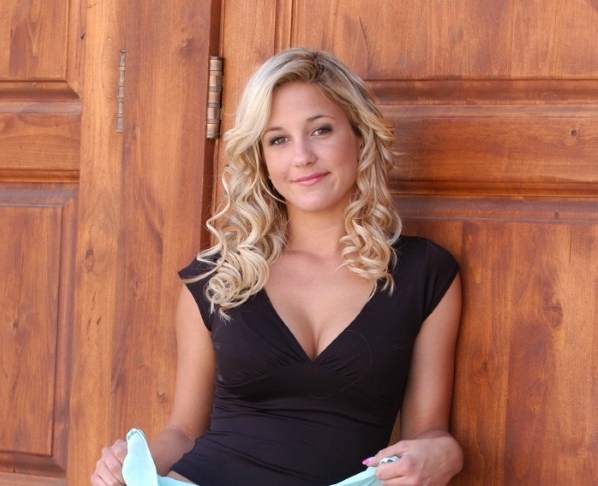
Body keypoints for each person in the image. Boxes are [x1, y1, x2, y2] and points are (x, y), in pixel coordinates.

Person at [91, 47, 463, 486]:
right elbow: (184, 431)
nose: (301, 156)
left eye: (320, 130)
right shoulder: (217, 277)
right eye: (278, 139)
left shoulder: (424, 273)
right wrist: (128, 466)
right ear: (262, 160)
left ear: (360, 137)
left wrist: (447, 454)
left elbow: (427, 432)